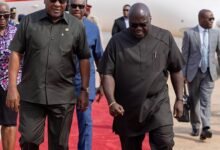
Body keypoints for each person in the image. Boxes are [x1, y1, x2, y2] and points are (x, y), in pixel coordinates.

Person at [6, 0, 91, 149]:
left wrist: (84, 90)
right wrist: (12, 87)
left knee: (59, 145)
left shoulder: (77, 26)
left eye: (62, 1)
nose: (57, 4)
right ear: (45, 0)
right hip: (32, 95)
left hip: (62, 97)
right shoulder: (29, 22)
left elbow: (84, 58)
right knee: (28, 140)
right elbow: (16, 53)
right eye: (53, 0)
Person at [100, 3, 185, 150]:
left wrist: (179, 98)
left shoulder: (164, 38)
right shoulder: (117, 41)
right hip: (127, 108)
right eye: (134, 25)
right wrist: (112, 102)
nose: (138, 28)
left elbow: (176, 69)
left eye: (143, 24)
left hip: (157, 103)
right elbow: (107, 73)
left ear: (150, 19)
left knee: (165, 143)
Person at [69, 0, 103, 149]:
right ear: (68, 6)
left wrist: (102, 84)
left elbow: (99, 57)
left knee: (86, 124)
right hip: (62, 83)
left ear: (85, 8)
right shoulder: (59, 26)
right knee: (61, 126)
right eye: (74, 6)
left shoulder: (93, 28)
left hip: (85, 84)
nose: (77, 9)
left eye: (80, 6)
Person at [182, 9, 220, 140]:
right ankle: (196, 126)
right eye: (210, 18)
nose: (212, 21)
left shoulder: (217, 33)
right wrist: (183, 75)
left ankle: (206, 127)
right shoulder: (189, 33)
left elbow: (219, 53)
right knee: (194, 101)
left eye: (213, 18)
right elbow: (184, 56)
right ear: (201, 19)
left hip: (209, 73)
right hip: (193, 73)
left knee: (206, 100)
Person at [0, 2, 21, 150]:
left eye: (5, 15)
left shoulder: (17, 33)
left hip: (10, 84)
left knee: (9, 123)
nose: (2, 18)